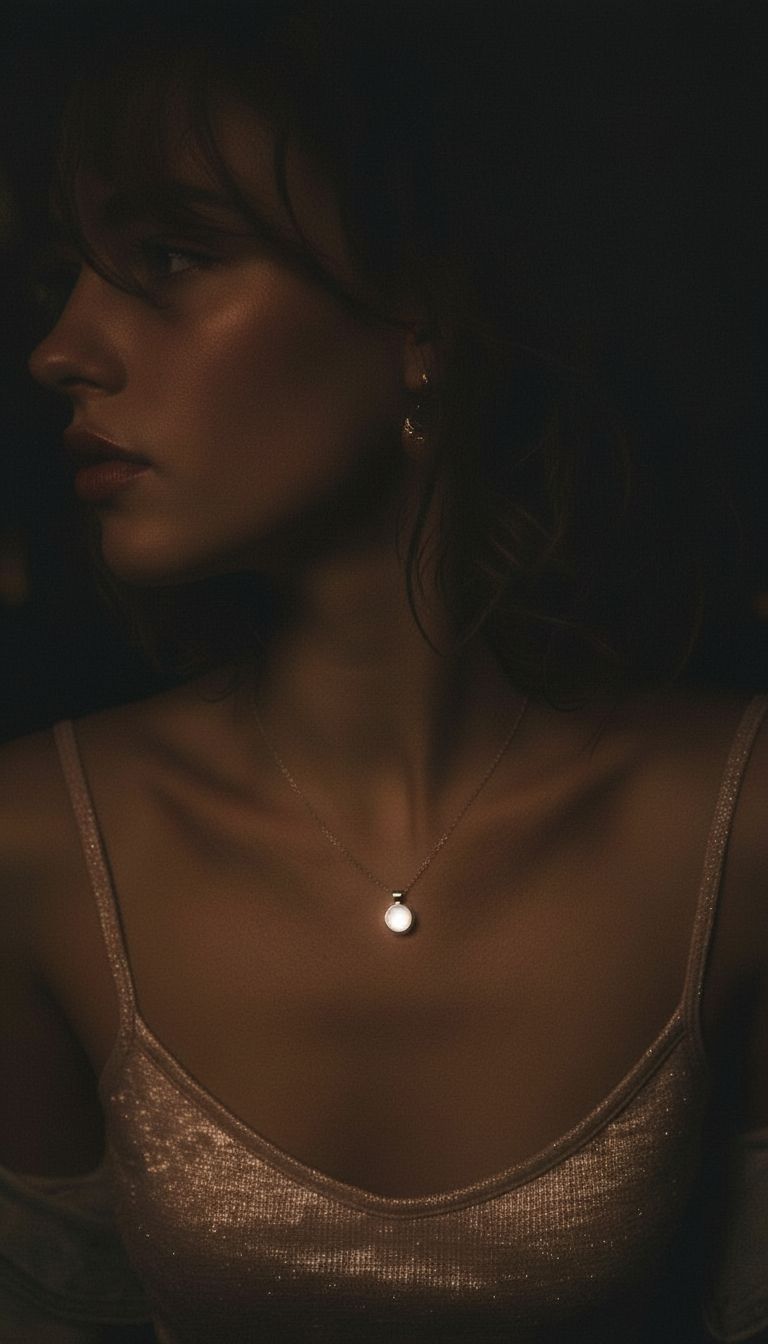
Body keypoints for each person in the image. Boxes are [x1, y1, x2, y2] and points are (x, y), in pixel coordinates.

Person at [1, 1, 766, 1340]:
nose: (59, 350)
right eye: (67, 275)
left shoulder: (737, 826)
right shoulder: (35, 851)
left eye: (169, 257)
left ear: (421, 320)